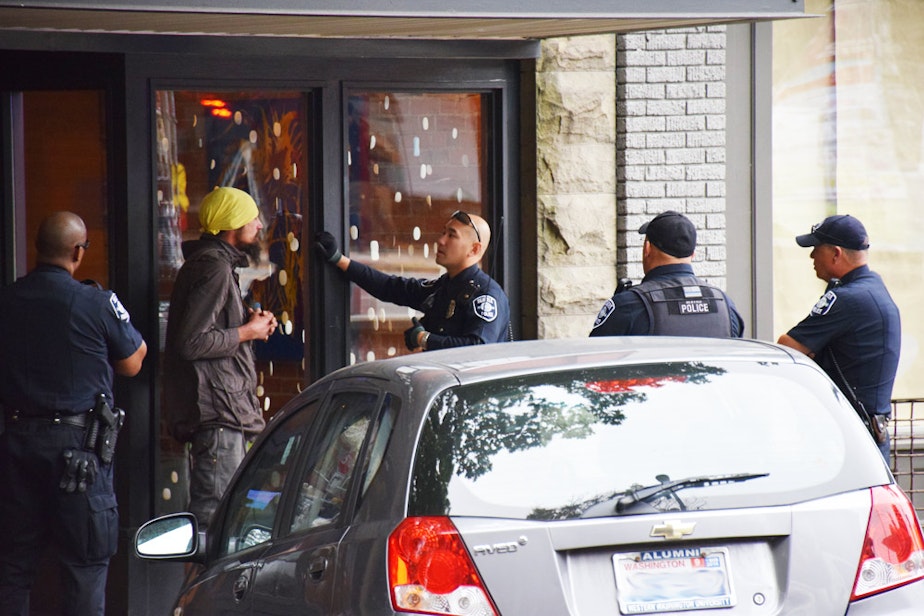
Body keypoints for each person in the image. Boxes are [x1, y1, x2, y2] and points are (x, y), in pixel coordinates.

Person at [0, 212, 147, 616]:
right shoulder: (95, 302)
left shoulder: (8, 300)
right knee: (84, 565)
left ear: (37, 247)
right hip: (78, 452)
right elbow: (134, 361)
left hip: (16, 442)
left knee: (13, 567)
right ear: (78, 252)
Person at [163, 186, 278, 529]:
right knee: (214, 521)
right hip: (217, 415)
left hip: (219, 411)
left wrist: (249, 322)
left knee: (223, 515)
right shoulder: (213, 268)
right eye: (252, 217)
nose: (259, 225)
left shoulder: (211, 265)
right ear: (233, 224)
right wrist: (248, 332)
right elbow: (192, 342)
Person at [777, 214, 900, 461]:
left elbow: (788, 348)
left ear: (835, 253)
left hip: (851, 438)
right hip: (864, 433)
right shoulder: (870, 288)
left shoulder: (849, 299)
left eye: (816, 248)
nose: (811, 256)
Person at [315, 210, 511, 351]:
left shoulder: (485, 296)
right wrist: (339, 260)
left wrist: (423, 338)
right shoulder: (444, 286)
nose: (441, 240)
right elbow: (390, 287)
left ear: (475, 249)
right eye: (444, 232)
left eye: (452, 236)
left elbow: (477, 348)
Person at [590, 210, 744, 337]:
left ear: (647, 249)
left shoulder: (628, 305)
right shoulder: (725, 305)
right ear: (692, 254)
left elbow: (594, 363)